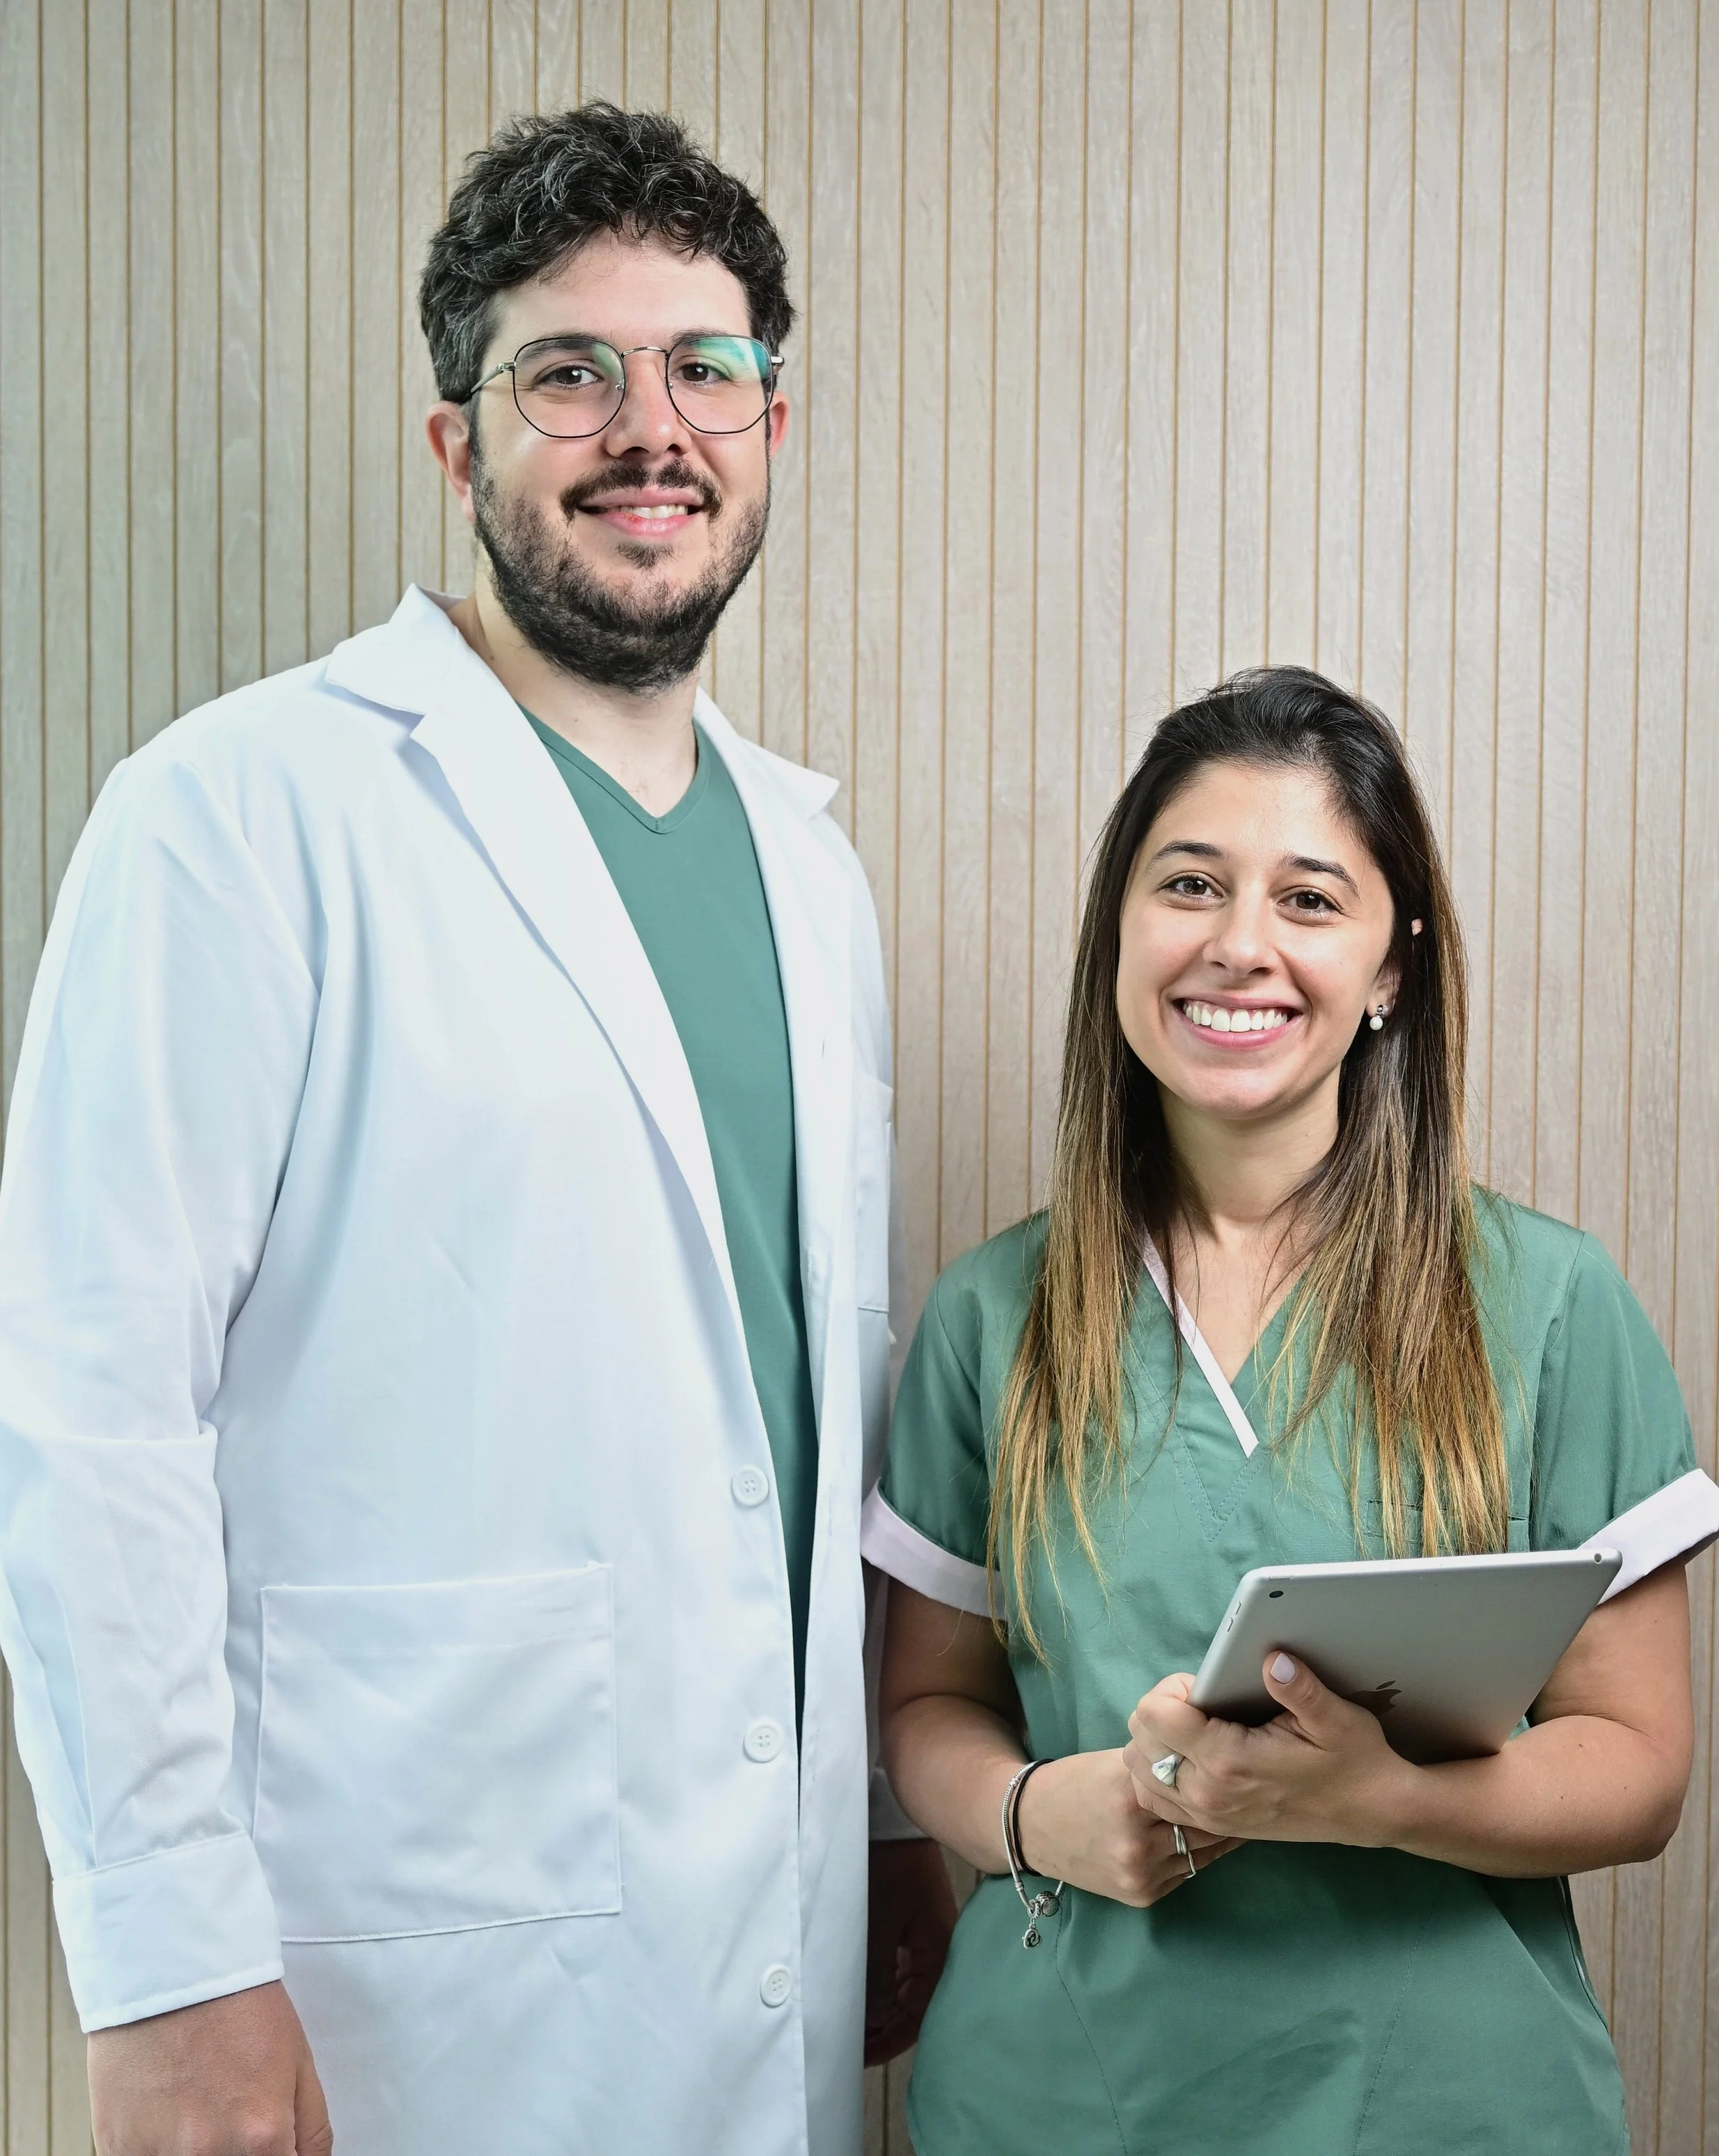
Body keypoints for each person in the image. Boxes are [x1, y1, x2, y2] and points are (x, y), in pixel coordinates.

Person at [0, 103, 954, 2156]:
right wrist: (166, 1968)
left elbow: (814, 1407)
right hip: (393, 1952)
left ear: (772, 425)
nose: (651, 428)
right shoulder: (238, 817)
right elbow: (87, 1422)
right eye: (567, 372)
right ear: (456, 444)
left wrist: (873, 1811)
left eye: (708, 370)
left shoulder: (811, 874)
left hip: (758, 1905)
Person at [864, 668, 1719, 2155]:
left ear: (1393, 963)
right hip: (1066, 2103)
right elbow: (927, 1707)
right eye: (1188, 883)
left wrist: (1377, 1798)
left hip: (1449, 2109)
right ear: (1119, 935)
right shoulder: (989, 1319)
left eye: (1309, 898)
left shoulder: (1543, 1307)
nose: (1238, 945)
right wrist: (1039, 1818)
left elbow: (1637, 1768)